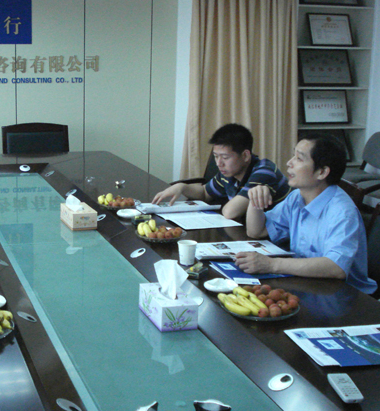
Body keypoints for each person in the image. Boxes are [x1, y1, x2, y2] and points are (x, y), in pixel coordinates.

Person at [237, 133, 377, 294]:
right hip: (309, 283)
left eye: (299, 158)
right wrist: (255, 200)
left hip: (346, 295)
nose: (289, 163)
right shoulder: (297, 197)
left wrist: (271, 265)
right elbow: (256, 231)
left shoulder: (343, 212)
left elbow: (336, 267)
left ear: (322, 172)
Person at [152, 123, 291, 219]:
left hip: (278, 238)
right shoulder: (229, 173)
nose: (219, 163)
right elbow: (205, 193)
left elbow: (231, 212)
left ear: (245, 156)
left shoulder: (264, 172)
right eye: (216, 156)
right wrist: (182, 187)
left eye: (225, 157)